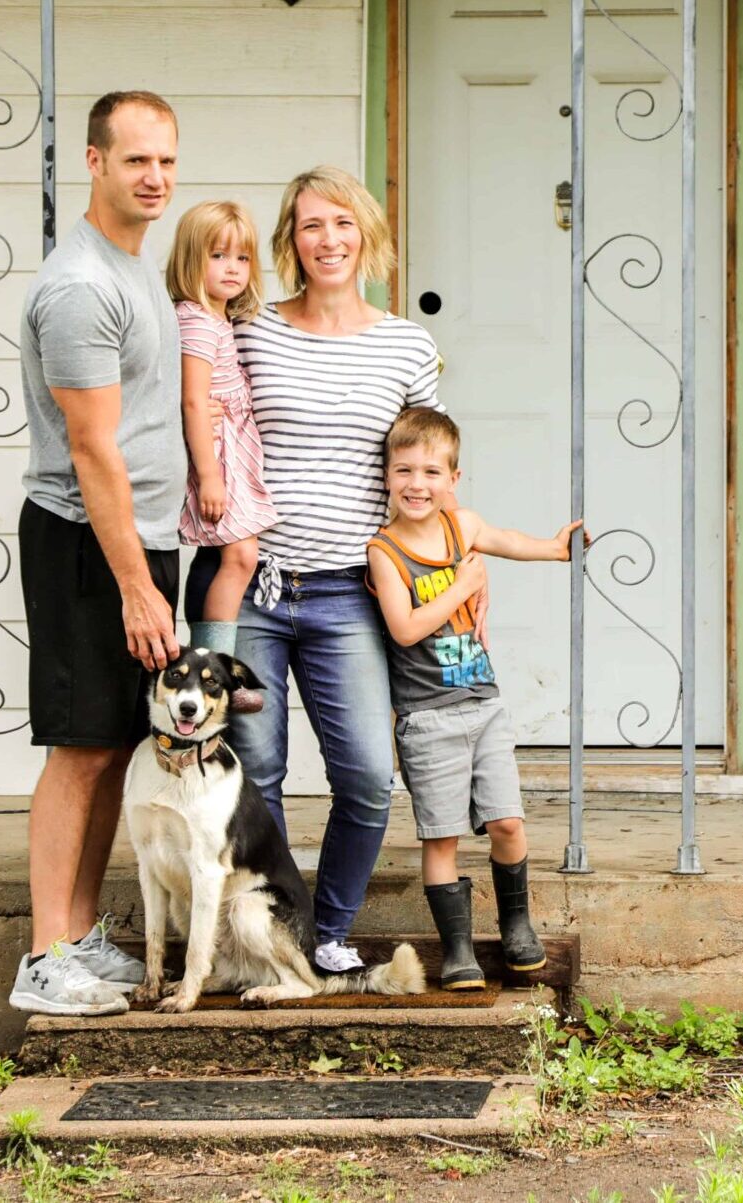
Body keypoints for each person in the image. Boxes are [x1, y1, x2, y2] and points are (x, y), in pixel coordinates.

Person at [186, 165, 469, 974]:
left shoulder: (407, 345)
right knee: (258, 771)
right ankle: (286, 936)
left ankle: (330, 930)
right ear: (291, 241)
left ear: (368, 236)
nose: (329, 240)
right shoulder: (253, 333)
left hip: (352, 590)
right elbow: (204, 413)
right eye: (312, 226)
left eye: (343, 224)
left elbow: (429, 471)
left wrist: (455, 571)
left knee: (369, 777)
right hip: (257, 586)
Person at [10, 90, 184, 1017]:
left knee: (115, 741)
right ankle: (43, 956)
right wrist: (134, 587)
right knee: (78, 749)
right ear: (93, 161)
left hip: (139, 541)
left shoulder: (133, 264)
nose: (153, 178)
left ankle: (78, 937)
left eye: (165, 160)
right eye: (134, 161)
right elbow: (91, 450)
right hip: (89, 543)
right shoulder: (82, 286)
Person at [366, 408, 585, 988]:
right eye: (405, 470)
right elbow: (405, 629)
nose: (418, 484)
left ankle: (516, 926)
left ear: (454, 479)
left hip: (484, 707)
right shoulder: (384, 552)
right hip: (426, 716)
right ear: (386, 476)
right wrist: (463, 586)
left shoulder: (462, 527)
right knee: (442, 834)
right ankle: (458, 948)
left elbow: (506, 539)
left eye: (432, 472)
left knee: (508, 821)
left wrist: (554, 549)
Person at [165, 201, 277, 676]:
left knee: (232, 554)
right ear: (192, 259)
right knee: (240, 553)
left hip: (230, 445)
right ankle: (211, 665)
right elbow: (193, 400)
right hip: (216, 453)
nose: (232, 268)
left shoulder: (217, 317)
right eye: (218, 256)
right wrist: (209, 476)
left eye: (242, 258)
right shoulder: (196, 320)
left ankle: (210, 662)